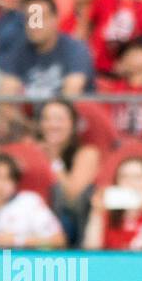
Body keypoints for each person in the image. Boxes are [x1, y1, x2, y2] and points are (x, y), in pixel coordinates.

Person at [0, 0, 94, 100]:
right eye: (29, 19)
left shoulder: (75, 49)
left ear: (55, 19)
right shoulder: (19, 51)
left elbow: (70, 96)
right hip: (31, 116)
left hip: (68, 115)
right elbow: (6, 98)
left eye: (40, 18)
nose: (34, 25)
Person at [35, 98, 99, 244]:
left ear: (73, 124)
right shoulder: (32, 149)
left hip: (66, 225)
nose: (53, 125)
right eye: (47, 119)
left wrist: (54, 160)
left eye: (59, 119)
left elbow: (72, 198)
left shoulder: (87, 153)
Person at [83, 154, 142, 251]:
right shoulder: (107, 214)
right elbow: (91, 249)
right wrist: (96, 213)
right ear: (117, 181)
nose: (131, 182)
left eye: (138, 177)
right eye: (124, 177)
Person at [99, 35, 142, 144]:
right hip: (120, 144)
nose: (131, 55)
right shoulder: (112, 89)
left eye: (138, 51)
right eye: (126, 53)